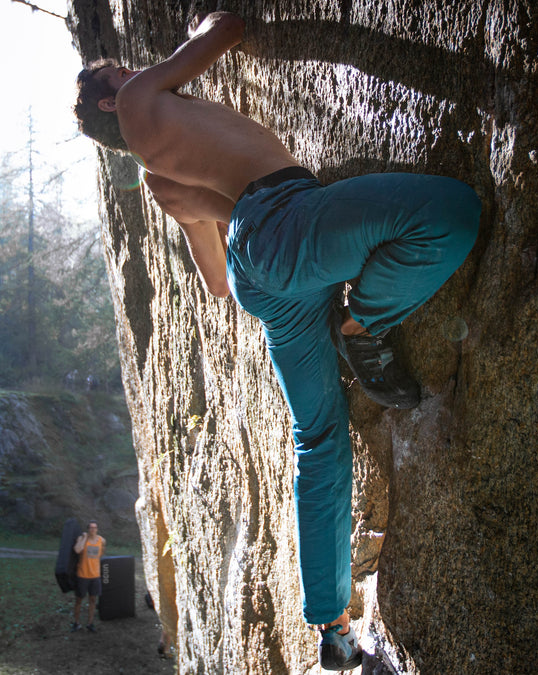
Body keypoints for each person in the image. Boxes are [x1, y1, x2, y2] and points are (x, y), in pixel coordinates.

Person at [74, 12, 481, 671]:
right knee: (451, 212)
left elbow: (214, 280)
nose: (131, 70)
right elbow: (223, 29)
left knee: (319, 441)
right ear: (107, 99)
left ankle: (333, 627)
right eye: (117, 73)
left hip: (259, 270)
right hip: (284, 223)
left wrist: (250, 226)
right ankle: (363, 324)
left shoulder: (156, 177)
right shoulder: (142, 97)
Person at [71, 520, 106, 633]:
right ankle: (76, 623)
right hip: (82, 575)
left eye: (95, 528)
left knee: (93, 600)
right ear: (88, 529)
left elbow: (101, 554)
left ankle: (90, 623)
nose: (93, 530)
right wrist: (84, 538)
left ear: (97, 529)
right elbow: (77, 550)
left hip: (95, 576)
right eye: (91, 528)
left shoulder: (101, 540)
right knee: (79, 600)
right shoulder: (82, 539)